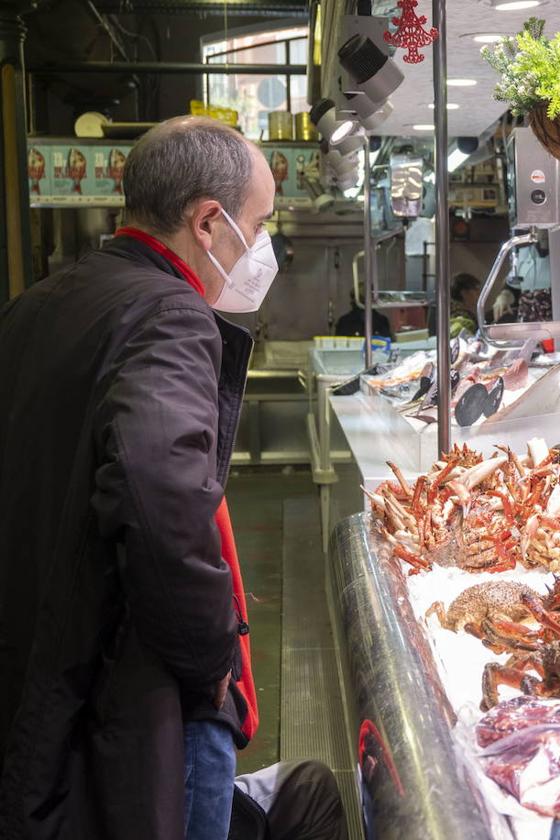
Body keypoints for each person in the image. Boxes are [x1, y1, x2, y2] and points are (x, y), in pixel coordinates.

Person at [0, 116, 278, 839]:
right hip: (140, 702)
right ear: (210, 223)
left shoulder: (38, 303)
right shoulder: (170, 314)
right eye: (261, 223)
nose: (265, 246)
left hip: (44, 674)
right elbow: (162, 498)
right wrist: (210, 656)